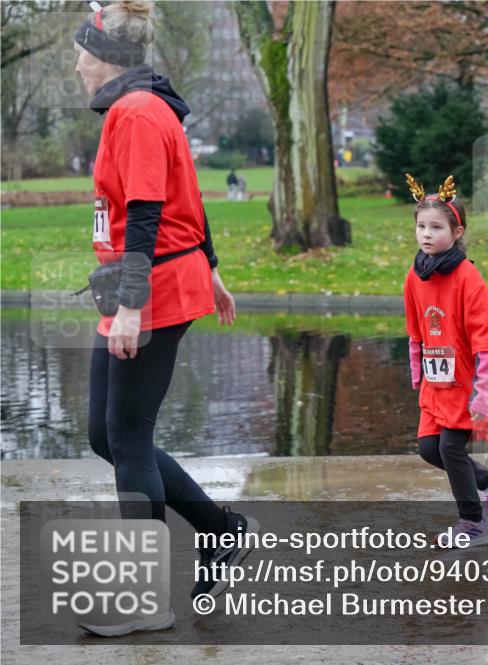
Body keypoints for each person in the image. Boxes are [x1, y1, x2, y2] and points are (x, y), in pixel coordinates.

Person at [72, 0, 257, 636]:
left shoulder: (140, 112)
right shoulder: (135, 108)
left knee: (126, 439)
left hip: (147, 294)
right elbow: (190, 198)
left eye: (85, 53)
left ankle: (143, 599)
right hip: (144, 286)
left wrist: (132, 307)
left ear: (110, 58)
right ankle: (224, 530)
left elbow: (150, 213)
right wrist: (211, 266)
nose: (77, 65)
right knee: (107, 434)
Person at [402, 173, 488, 548]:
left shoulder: (469, 278)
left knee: (451, 448)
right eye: (421, 226)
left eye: (436, 227)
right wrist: (418, 373)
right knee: (429, 450)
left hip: (466, 382)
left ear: (457, 230)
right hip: (436, 384)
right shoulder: (414, 277)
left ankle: (473, 524)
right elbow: (416, 330)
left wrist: (483, 394)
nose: (426, 234)